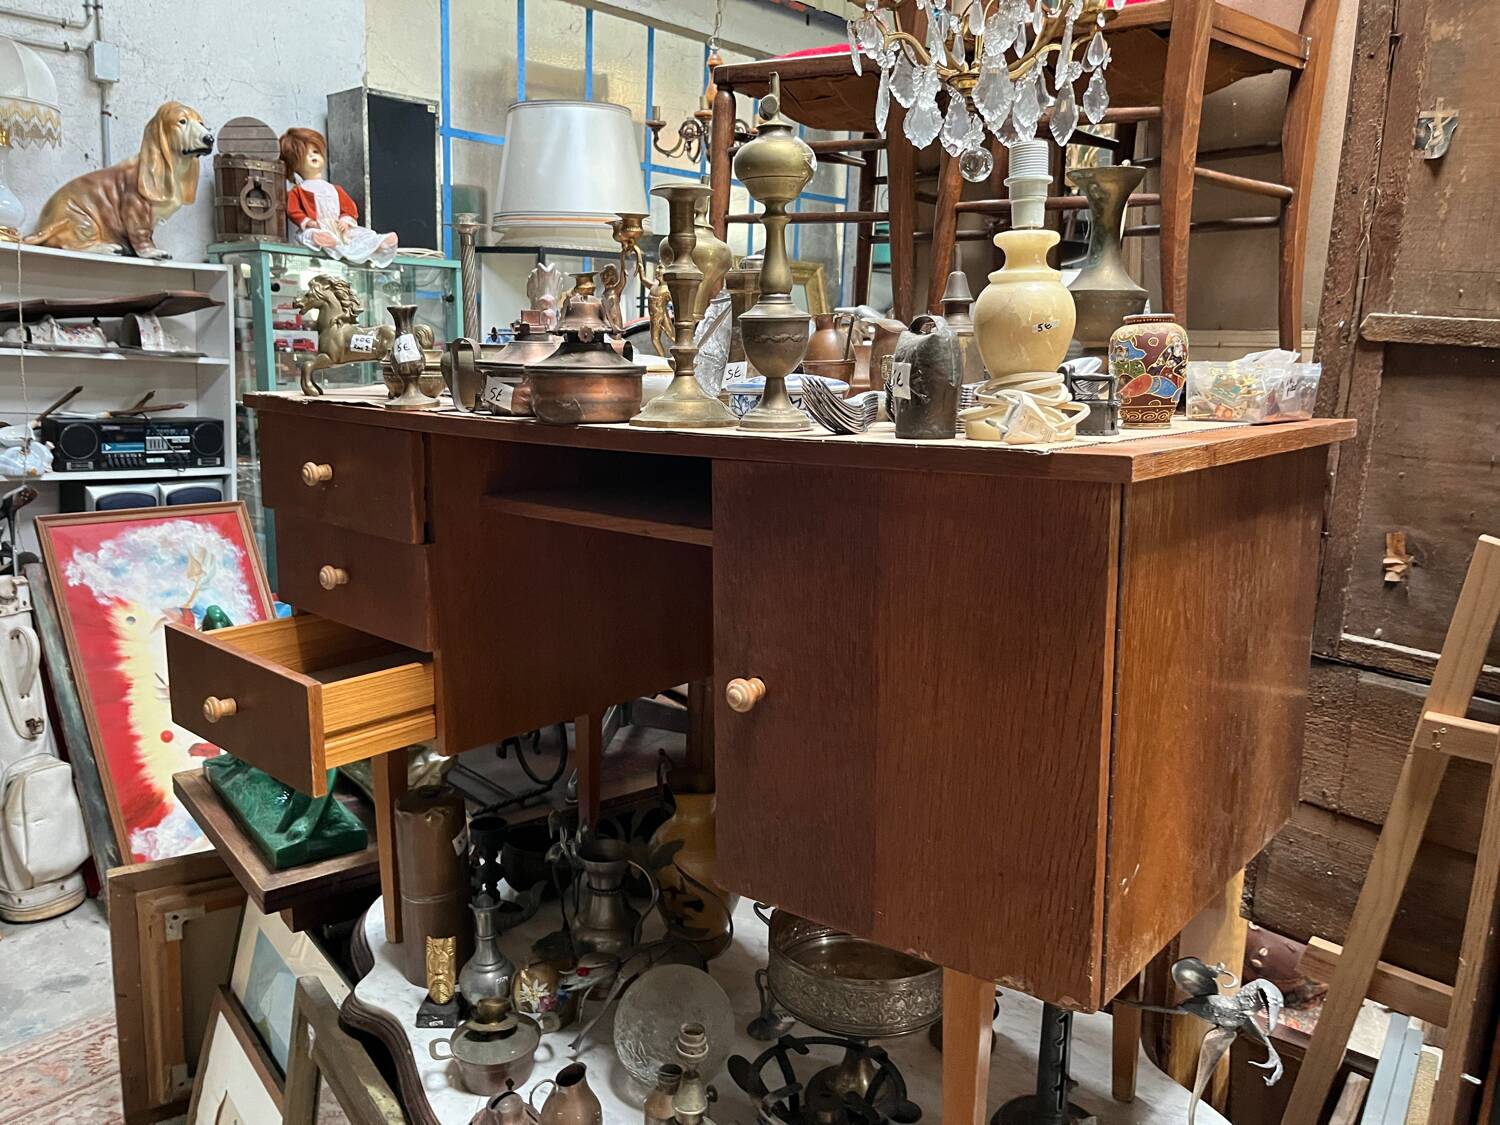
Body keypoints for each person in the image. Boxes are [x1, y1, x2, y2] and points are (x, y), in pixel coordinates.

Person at [280, 126, 398, 268]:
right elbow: (293, 210)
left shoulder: (334, 189)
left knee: (360, 234)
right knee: (308, 235)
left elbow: (349, 208)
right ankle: (323, 239)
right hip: (319, 226)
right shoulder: (298, 191)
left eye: (315, 152)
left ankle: (379, 243)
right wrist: (308, 222)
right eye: (306, 154)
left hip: (339, 228)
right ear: (294, 164)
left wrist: (345, 221)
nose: (313, 156)